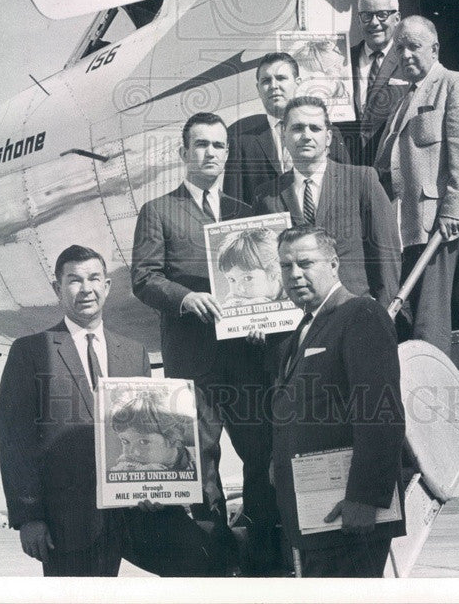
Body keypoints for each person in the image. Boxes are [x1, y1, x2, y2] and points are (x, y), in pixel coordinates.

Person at [0, 244, 208, 577]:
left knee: (205, 562)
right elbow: (14, 440)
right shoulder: (30, 351)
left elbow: (146, 422)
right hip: (71, 520)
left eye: (94, 278)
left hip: (137, 514)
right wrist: (29, 517)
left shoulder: (134, 353)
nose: (86, 289)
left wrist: (154, 487)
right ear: (58, 288)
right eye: (74, 280)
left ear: (107, 286)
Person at [131, 112, 282, 575]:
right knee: (200, 459)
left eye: (217, 145)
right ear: (183, 154)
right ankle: (213, 555)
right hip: (194, 361)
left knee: (261, 452)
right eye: (200, 145)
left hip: (246, 357)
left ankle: (261, 548)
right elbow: (143, 278)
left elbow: (269, 281)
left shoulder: (246, 213)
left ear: (227, 153)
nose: (209, 153)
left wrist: (264, 318)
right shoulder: (158, 211)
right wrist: (185, 297)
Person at [271, 227, 406, 577]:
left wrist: (366, 497)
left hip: (350, 515)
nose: (295, 274)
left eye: (305, 263)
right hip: (317, 514)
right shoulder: (299, 334)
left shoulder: (360, 314)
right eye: (286, 267)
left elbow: (380, 412)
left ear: (333, 264)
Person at [374, 16, 459, 355]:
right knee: (410, 322)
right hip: (404, 231)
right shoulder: (400, 103)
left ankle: (434, 390)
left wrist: (455, 211)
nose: (406, 54)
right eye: (400, 48)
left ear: (435, 48)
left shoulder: (456, 84)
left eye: (414, 46)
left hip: (436, 226)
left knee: (430, 325)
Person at [253, 96, 401, 307]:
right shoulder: (266, 196)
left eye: (315, 128)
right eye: (297, 128)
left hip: (354, 309)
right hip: (294, 319)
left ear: (329, 137)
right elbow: (262, 262)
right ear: (283, 135)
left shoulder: (362, 180)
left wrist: (386, 311)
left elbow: (387, 252)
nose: (306, 136)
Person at [224, 52, 349, 207]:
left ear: (297, 83)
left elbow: (346, 188)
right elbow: (234, 204)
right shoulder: (241, 138)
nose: (274, 86)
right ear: (258, 88)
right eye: (266, 80)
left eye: (281, 78)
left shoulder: (327, 133)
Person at [347, 0, 407, 166]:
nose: (374, 22)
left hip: (392, 171)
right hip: (350, 171)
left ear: (397, 18)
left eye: (382, 14)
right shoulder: (342, 61)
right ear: (358, 20)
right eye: (366, 15)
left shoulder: (410, 61)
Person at [110, 394, 197, 475]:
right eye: (125, 441)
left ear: (173, 439)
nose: (133, 452)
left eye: (144, 442)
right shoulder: (124, 468)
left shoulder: (202, 462)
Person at [217, 228, 285, 308]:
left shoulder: (295, 293)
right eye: (232, 279)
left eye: (247, 278)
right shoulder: (237, 298)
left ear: (274, 274)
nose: (239, 289)